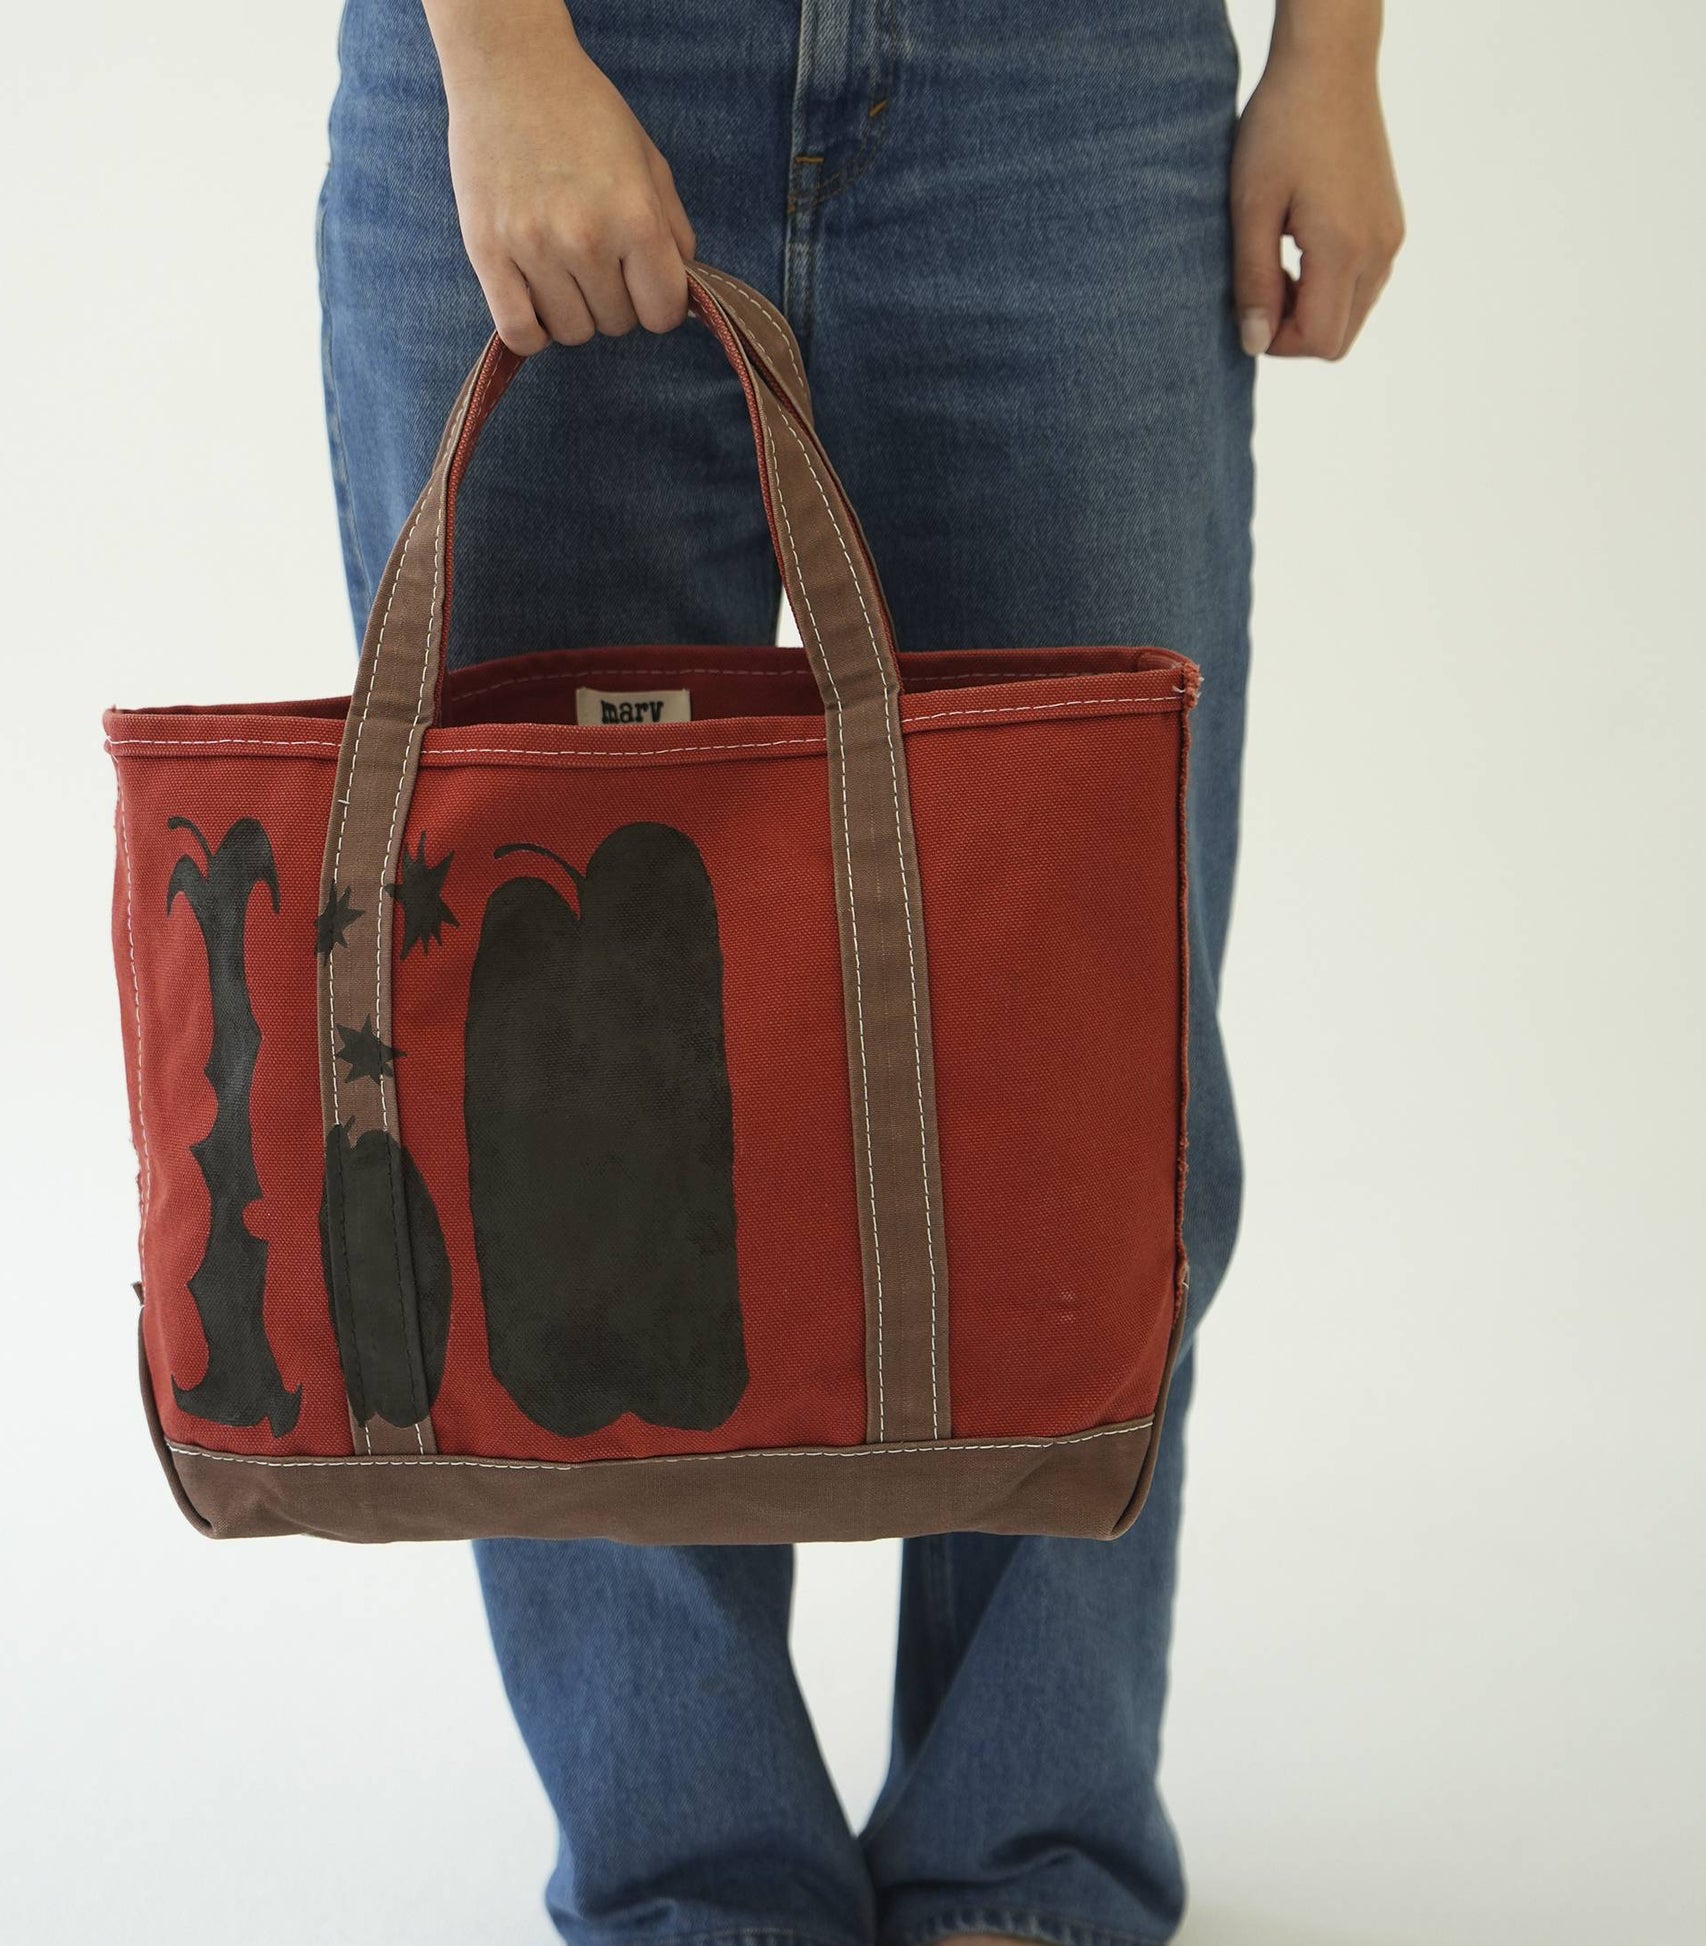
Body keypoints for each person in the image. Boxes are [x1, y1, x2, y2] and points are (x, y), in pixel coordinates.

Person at [316, 1, 1402, 1940]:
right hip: (570, 49)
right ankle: (691, 1876)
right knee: (560, 1086)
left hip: (1070, 97)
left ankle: (1024, 1864)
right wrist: (495, 52)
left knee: (1087, 1069)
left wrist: (1332, 52)